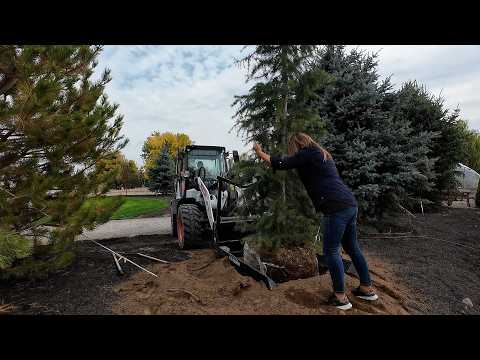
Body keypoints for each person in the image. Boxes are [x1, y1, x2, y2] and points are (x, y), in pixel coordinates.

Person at [253, 133, 378, 310]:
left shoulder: (307, 153)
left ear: (297, 145)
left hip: (335, 207)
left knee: (331, 250)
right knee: (352, 247)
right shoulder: (321, 153)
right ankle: (366, 289)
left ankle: (340, 297)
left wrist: (260, 153)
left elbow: (281, 163)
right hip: (349, 204)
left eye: (292, 148)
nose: (293, 152)